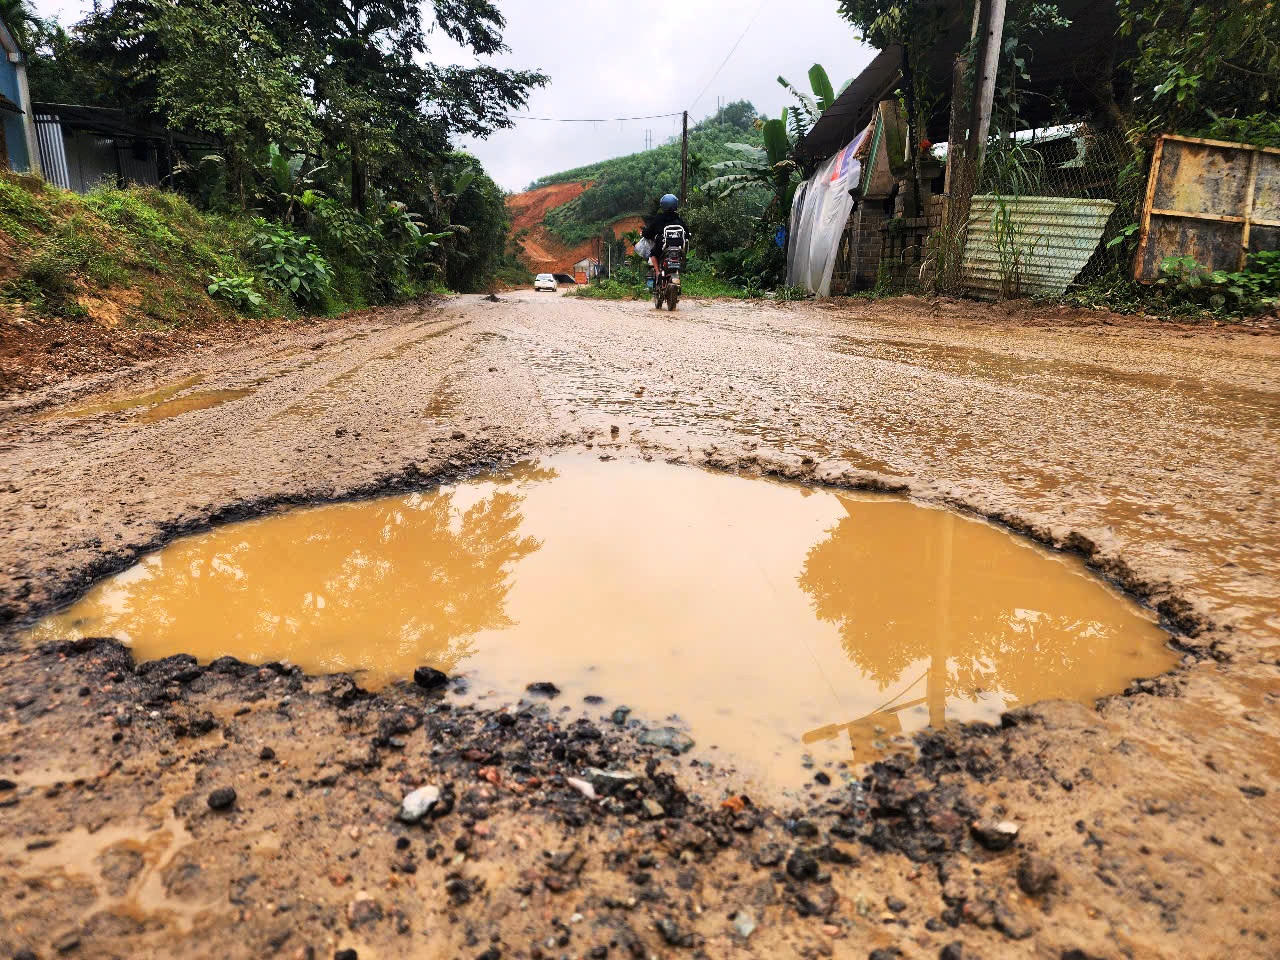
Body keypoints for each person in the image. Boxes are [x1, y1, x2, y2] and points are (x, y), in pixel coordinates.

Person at [641, 194, 688, 282]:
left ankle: (658, 273)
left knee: (653, 254)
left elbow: (649, 232)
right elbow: (687, 232)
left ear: (662, 205)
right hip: (678, 247)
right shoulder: (678, 218)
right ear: (675, 205)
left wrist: (644, 233)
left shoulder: (659, 218)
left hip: (663, 246)